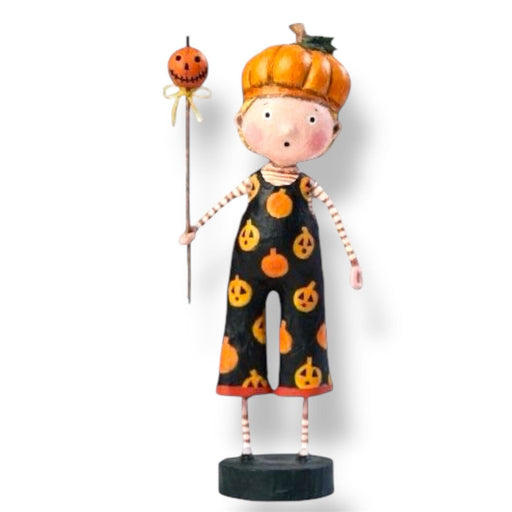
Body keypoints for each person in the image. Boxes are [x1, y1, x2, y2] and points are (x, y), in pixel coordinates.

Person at [179, 24, 362, 457]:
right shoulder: (253, 183)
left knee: (306, 334)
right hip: (248, 269)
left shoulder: (307, 187)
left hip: (303, 274)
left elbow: (336, 218)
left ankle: (303, 437)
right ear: (241, 122)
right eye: (267, 115)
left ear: (333, 131)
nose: (286, 129)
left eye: (310, 119)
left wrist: (353, 261)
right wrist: (196, 227)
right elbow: (222, 202)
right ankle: (246, 437)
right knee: (241, 329)